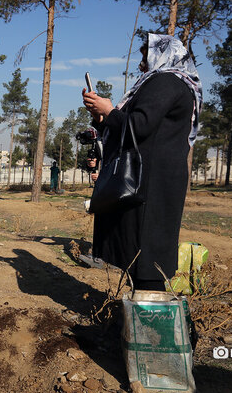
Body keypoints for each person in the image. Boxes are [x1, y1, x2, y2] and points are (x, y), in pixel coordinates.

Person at [82, 33, 203, 290]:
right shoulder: (163, 83)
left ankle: (149, 316)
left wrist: (110, 111)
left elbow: (139, 125)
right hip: (150, 179)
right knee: (141, 252)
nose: (141, 64)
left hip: (151, 183)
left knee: (148, 253)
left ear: (164, 54)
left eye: (145, 57)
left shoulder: (166, 82)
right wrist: (102, 117)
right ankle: (141, 312)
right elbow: (130, 127)